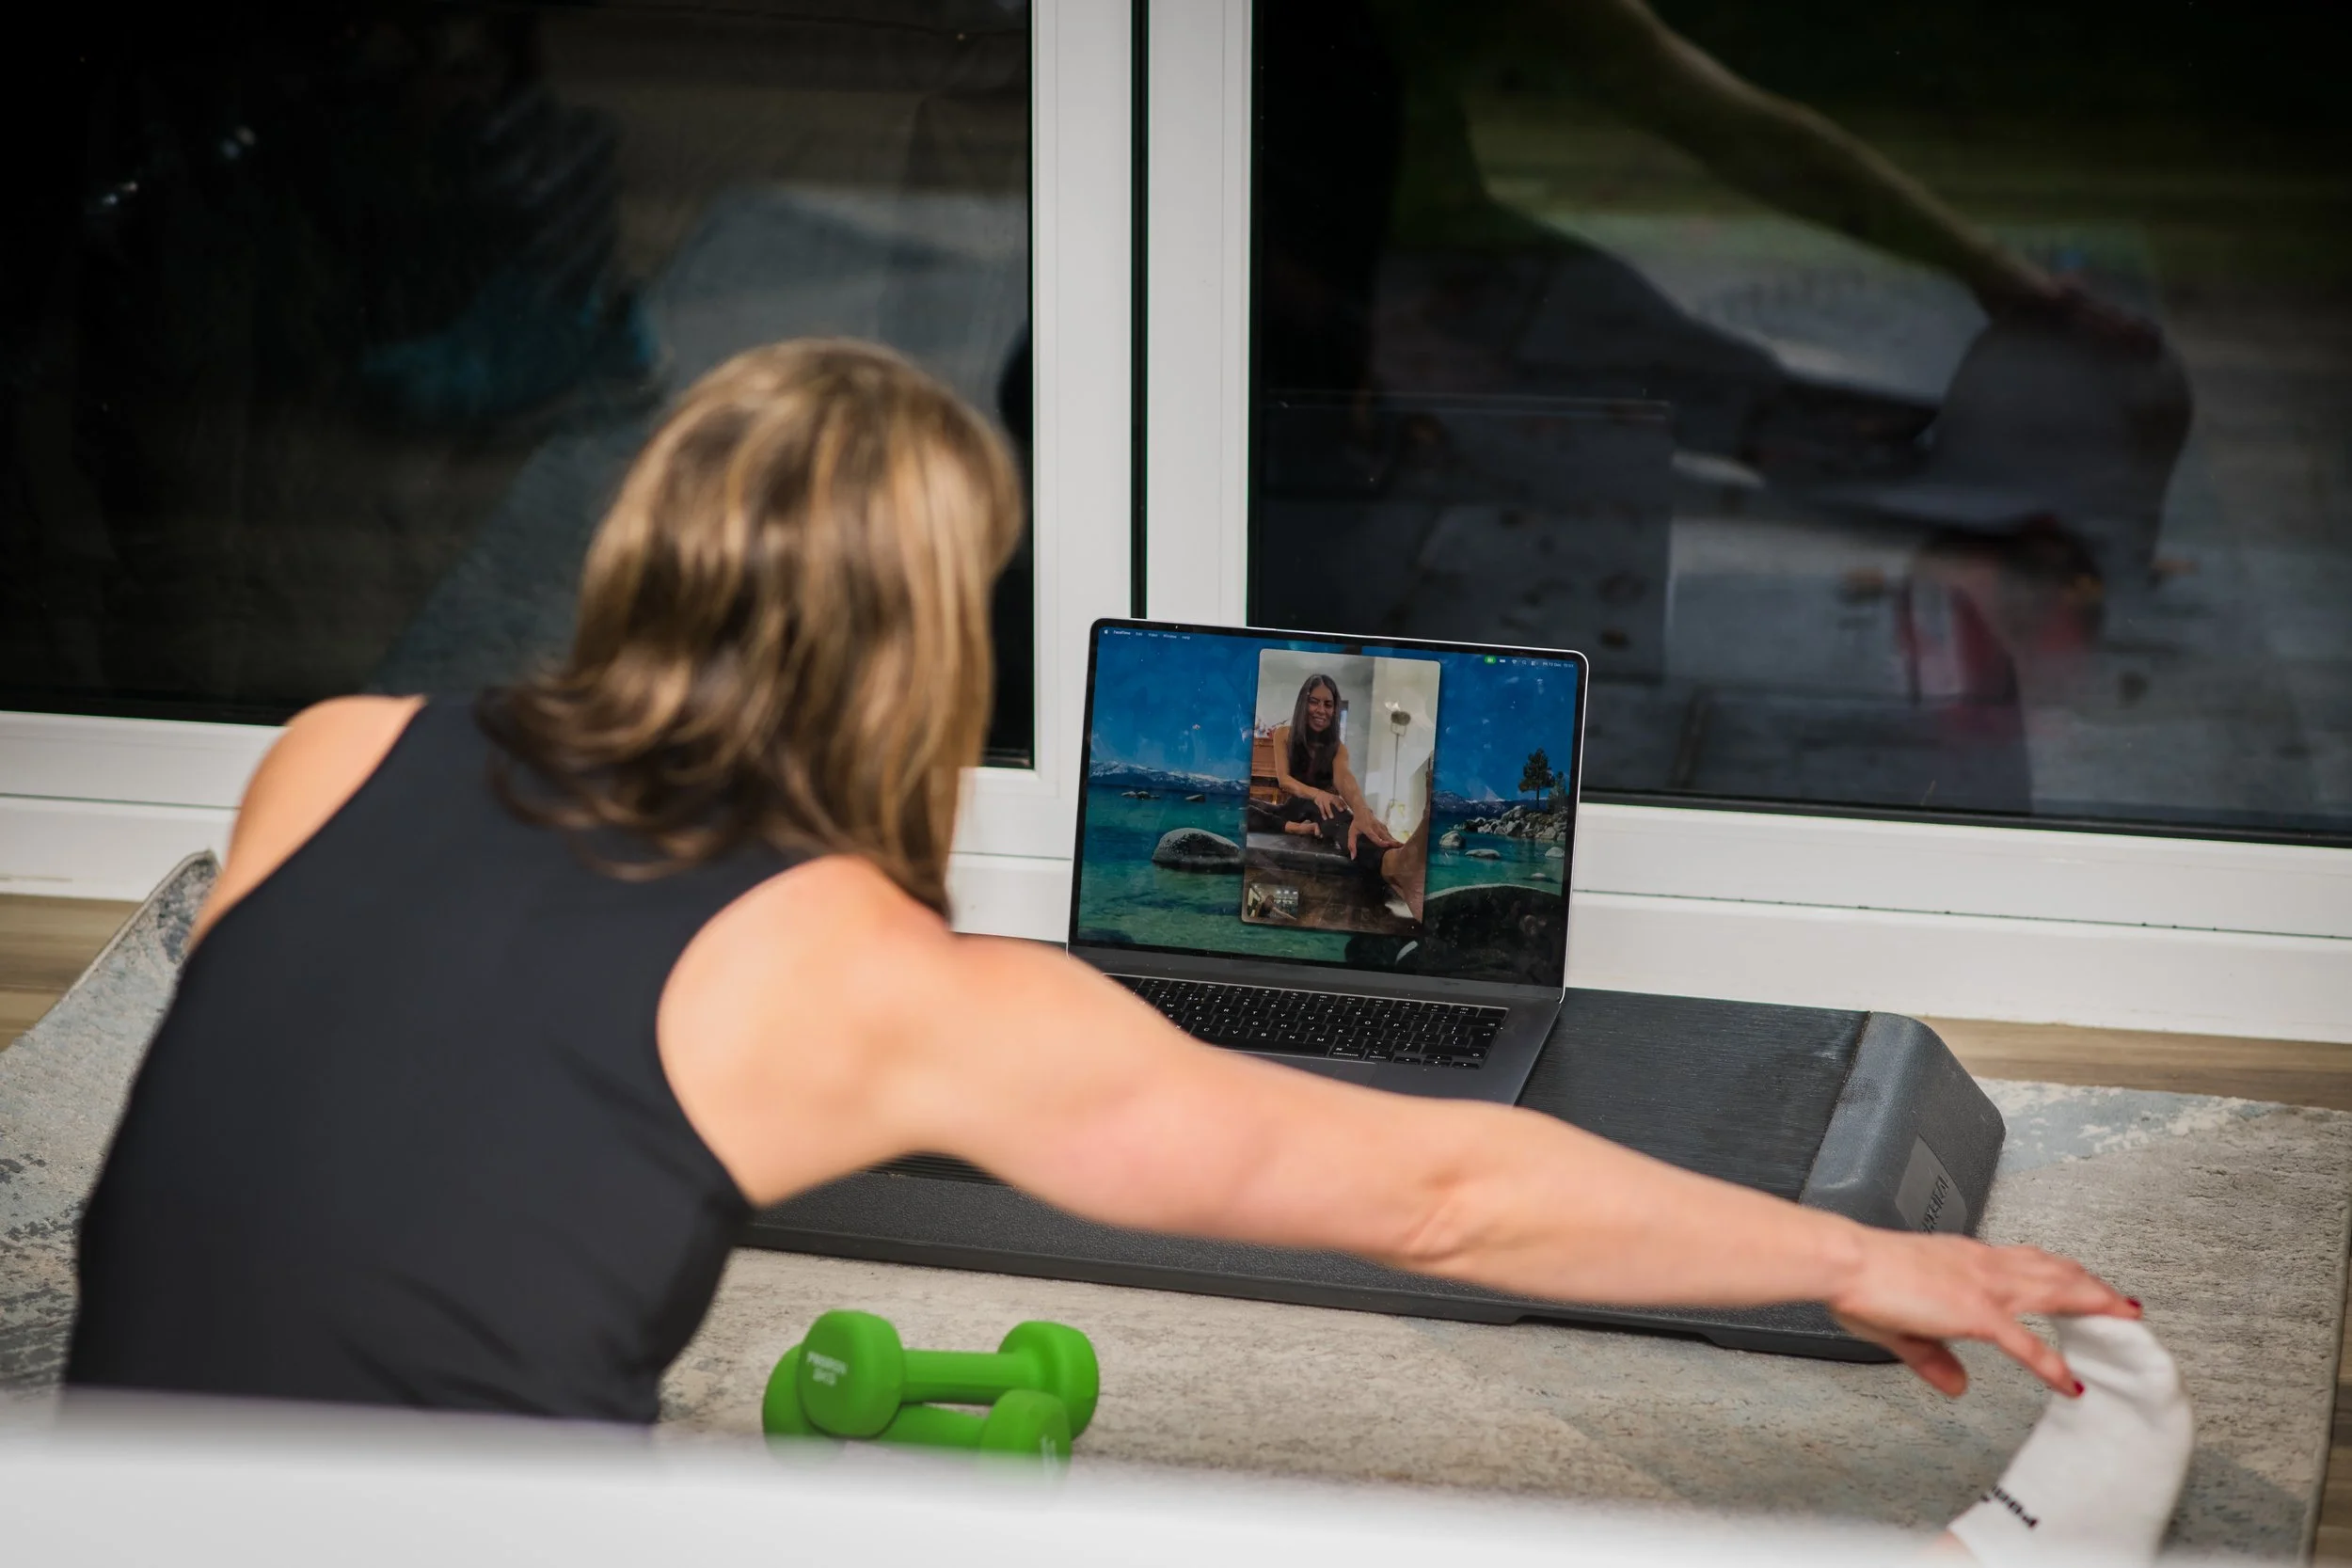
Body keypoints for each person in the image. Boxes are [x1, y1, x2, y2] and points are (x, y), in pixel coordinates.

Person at [68, 341, 2188, 1558]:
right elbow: (1433, 1186)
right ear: (930, 646)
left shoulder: (328, 752)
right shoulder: (844, 977)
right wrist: (1845, 1253)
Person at [1249, 673, 1427, 920]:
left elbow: (1344, 778)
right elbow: (1285, 781)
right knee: (1242, 805)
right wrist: (1317, 793)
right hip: (1292, 809)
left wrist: (1362, 811)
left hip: (1325, 812)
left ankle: (1395, 864)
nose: (1320, 709)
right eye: (1314, 701)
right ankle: (1295, 827)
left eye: (1328, 704)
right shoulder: (1283, 734)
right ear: (1303, 702)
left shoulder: (1337, 748)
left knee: (1335, 813)